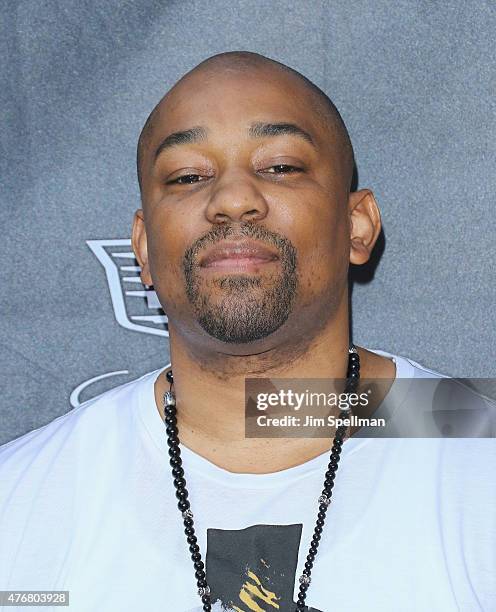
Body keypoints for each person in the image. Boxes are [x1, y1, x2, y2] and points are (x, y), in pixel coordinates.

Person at [0, 51, 494, 612]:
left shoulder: (477, 449)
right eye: (188, 176)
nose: (233, 199)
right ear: (141, 247)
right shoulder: (17, 503)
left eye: (280, 166)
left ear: (357, 224)